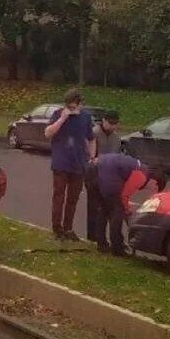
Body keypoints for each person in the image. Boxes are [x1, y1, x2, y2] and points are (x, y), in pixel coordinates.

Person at [86, 152, 166, 256]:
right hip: (106, 173)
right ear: (155, 182)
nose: (150, 193)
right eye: (155, 190)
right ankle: (117, 248)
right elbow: (124, 196)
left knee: (104, 209)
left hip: (93, 169)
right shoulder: (142, 175)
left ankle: (101, 244)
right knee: (117, 212)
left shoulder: (139, 167)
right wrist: (127, 212)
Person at [44, 88, 94, 241]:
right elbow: (47, 133)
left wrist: (91, 156)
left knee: (73, 198)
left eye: (74, 107)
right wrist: (62, 119)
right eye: (68, 106)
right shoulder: (58, 114)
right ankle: (56, 228)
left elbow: (91, 138)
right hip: (61, 163)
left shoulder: (85, 117)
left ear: (80, 104)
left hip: (79, 164)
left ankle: (68, 228)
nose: (71, 109)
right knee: (59, 196)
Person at [86, 111, 121, 242]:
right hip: (94, 173)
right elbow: (89, 154)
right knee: (93, 206)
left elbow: (116, 156)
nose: (112, 126)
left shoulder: (116, 138)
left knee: (105, 207)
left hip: (109, 175)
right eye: (110, 123)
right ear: (104, 121)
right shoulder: (94, 133)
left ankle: (100, 236)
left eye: (115, 124)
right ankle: (91, 235)